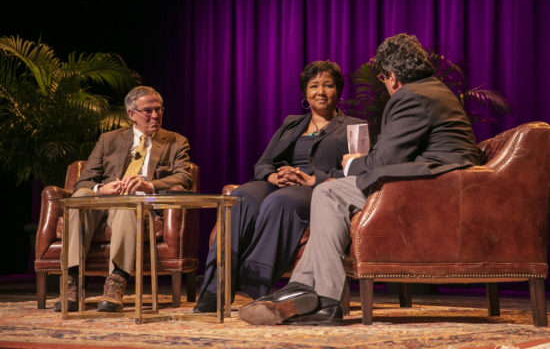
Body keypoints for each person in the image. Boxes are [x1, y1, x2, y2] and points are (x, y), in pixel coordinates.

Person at [238, 33, 482, 326]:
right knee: (329, 191)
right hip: (434, 181)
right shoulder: (432, 90)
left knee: (329, 193)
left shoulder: (411, 96)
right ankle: (303, 289)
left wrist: (353, 163)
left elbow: (383, 160)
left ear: (391, 76)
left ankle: (324, 300)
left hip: (432, 186)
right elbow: (393, 154)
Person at [193, 60, 364, 313]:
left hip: (317, 189)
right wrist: (274, 177)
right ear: (305, 92)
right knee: (239, 197)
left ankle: (255, 285)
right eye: (314, 85)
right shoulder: (292, 123)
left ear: (338, 91)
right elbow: (263, 163)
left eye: (328, 85)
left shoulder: (352, 126)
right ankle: (214, 288)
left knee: (280, 202)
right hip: (280, 182)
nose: (321, 91)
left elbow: (359, 172)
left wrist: (312, 178)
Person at [55, 85, 192, 312]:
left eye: (159, 109)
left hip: (139, 203)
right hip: (103, 200)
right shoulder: (109, 139)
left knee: (128, 202)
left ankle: (116, 282)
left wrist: (149, 185)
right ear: (131, 114)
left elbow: (184, 177)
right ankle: (72, 280)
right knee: (80, 197)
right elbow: (83, 180)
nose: (155, 115)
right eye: (148, 111)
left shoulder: (176, 141)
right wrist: (101, 188)